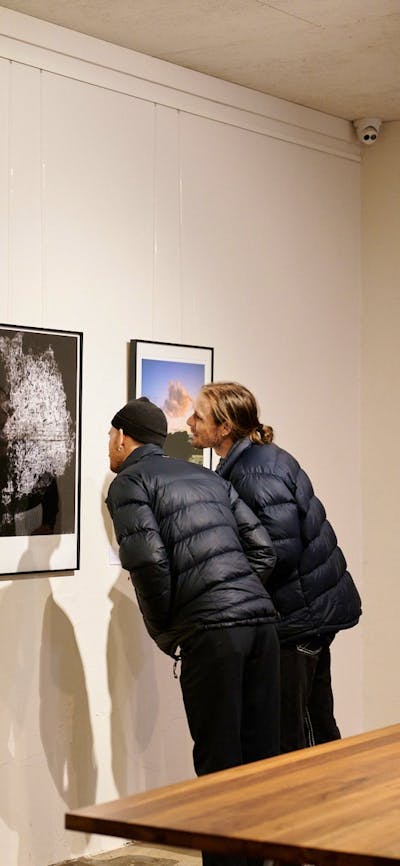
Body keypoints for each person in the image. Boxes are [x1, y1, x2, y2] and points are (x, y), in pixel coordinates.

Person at [106, 396, 280, 866]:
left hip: (213, 633)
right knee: (262, 762)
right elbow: (264, 551)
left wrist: (171, 628)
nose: (108, 446)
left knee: (219, 765)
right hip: (262, 625)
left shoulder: (128, 483)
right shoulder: (207, 476)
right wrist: (235, 594)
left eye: (109, 437)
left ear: (122, 437)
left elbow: (149, 564)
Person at [187, 382, 362, 754]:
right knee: (312, 725)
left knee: (296, 737)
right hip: (305, 609)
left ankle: (316, 793)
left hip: (299, 616)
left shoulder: (256, 473)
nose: (189, 422)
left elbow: (279, 551)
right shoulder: (253, 462)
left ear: (224, 427)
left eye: (199, 417)